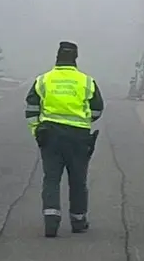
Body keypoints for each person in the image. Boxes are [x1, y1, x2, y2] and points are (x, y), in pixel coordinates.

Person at [24, 41, 104, 238]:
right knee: (77, 180)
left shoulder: (43, 80)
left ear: (57, 57)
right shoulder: (86, 81)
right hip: (78, 137)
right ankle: (78, 221)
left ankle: (51, 222)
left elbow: (31, 108)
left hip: (50, 135)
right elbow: (97, 109)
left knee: (51, 178)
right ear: (75, 58)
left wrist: (36, 131)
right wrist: (83, 120)